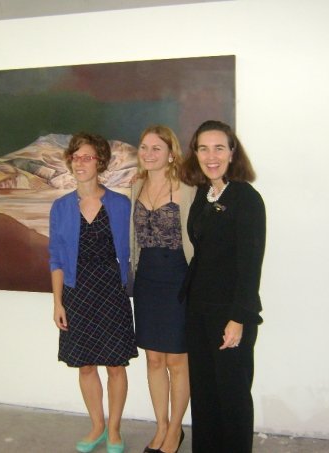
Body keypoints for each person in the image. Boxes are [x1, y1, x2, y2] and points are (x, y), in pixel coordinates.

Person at [180, 120, 266, 453]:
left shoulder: (247, 199)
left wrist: (238, 318)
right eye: (203, 148)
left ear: (232, 153)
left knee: (232, 397)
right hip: (199, 310)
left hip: (230, 314)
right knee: (204, 395)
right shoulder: (204, 194)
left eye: (219, 148)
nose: (211, 156)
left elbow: (250, 265)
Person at [49, 132, 138, 453]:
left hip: (111, 292)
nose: (80, 163)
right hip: (77, 292)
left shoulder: (120, 204)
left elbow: (134, 250)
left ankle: (114, 430)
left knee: (115, 365)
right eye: (76, 157)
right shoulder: (61, 207)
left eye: (87, 157)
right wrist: (58, 302)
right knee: (85, 365)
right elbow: (56, 258)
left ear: (99, 162)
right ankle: (97, 425)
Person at [130, 125, 195, 453]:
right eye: (144, 147)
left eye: (156, 148)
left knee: (177, 361)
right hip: (147, 279)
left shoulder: (187, 188)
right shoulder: (136, 186)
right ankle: (161, 427)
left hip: (178, 279)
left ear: (171, 153)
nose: (148, 153)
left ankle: (175, 430)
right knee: (154, 359)